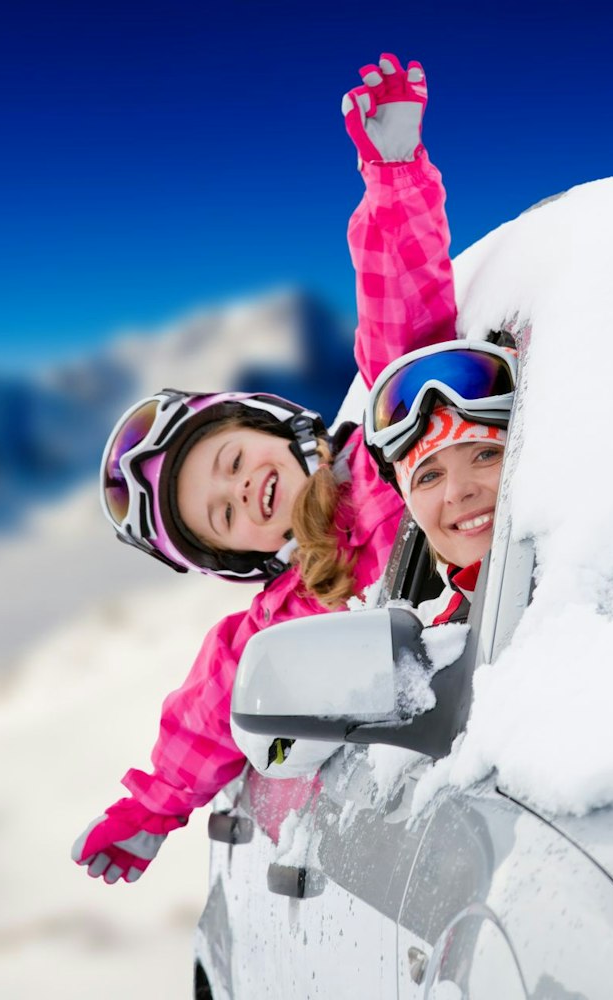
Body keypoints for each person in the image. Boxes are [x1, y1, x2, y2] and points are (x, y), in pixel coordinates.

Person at [72, 52, 458, 885]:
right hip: (448, 763)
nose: (242, 488)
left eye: (233, 459)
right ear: (235, 555)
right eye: (223, 513)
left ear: (278, 429)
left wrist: (393, 177)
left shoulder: (386, 451)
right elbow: (209, 715)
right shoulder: (277, 626)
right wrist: (151, 810)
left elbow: (405, 319)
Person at [363, 339, 518, 625]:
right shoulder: (425, 646)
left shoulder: (604, 556)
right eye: (429, 477)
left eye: (485, 454)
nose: (458, 492)